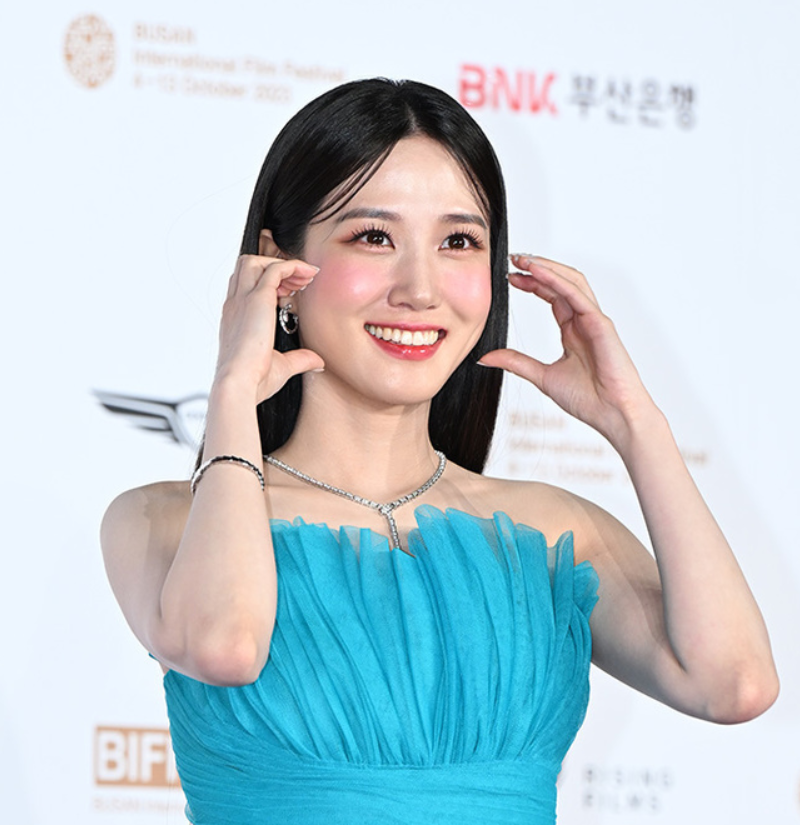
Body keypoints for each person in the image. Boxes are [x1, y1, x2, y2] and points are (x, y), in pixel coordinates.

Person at [101, 78, 778, 825]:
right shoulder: (162, 522)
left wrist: (636, 423)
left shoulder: (551, 533)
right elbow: (224, 645)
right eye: (373, 236)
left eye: (458, 242)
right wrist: (234, 390)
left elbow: (734, 685)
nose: (421, 289)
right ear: (276, 268)